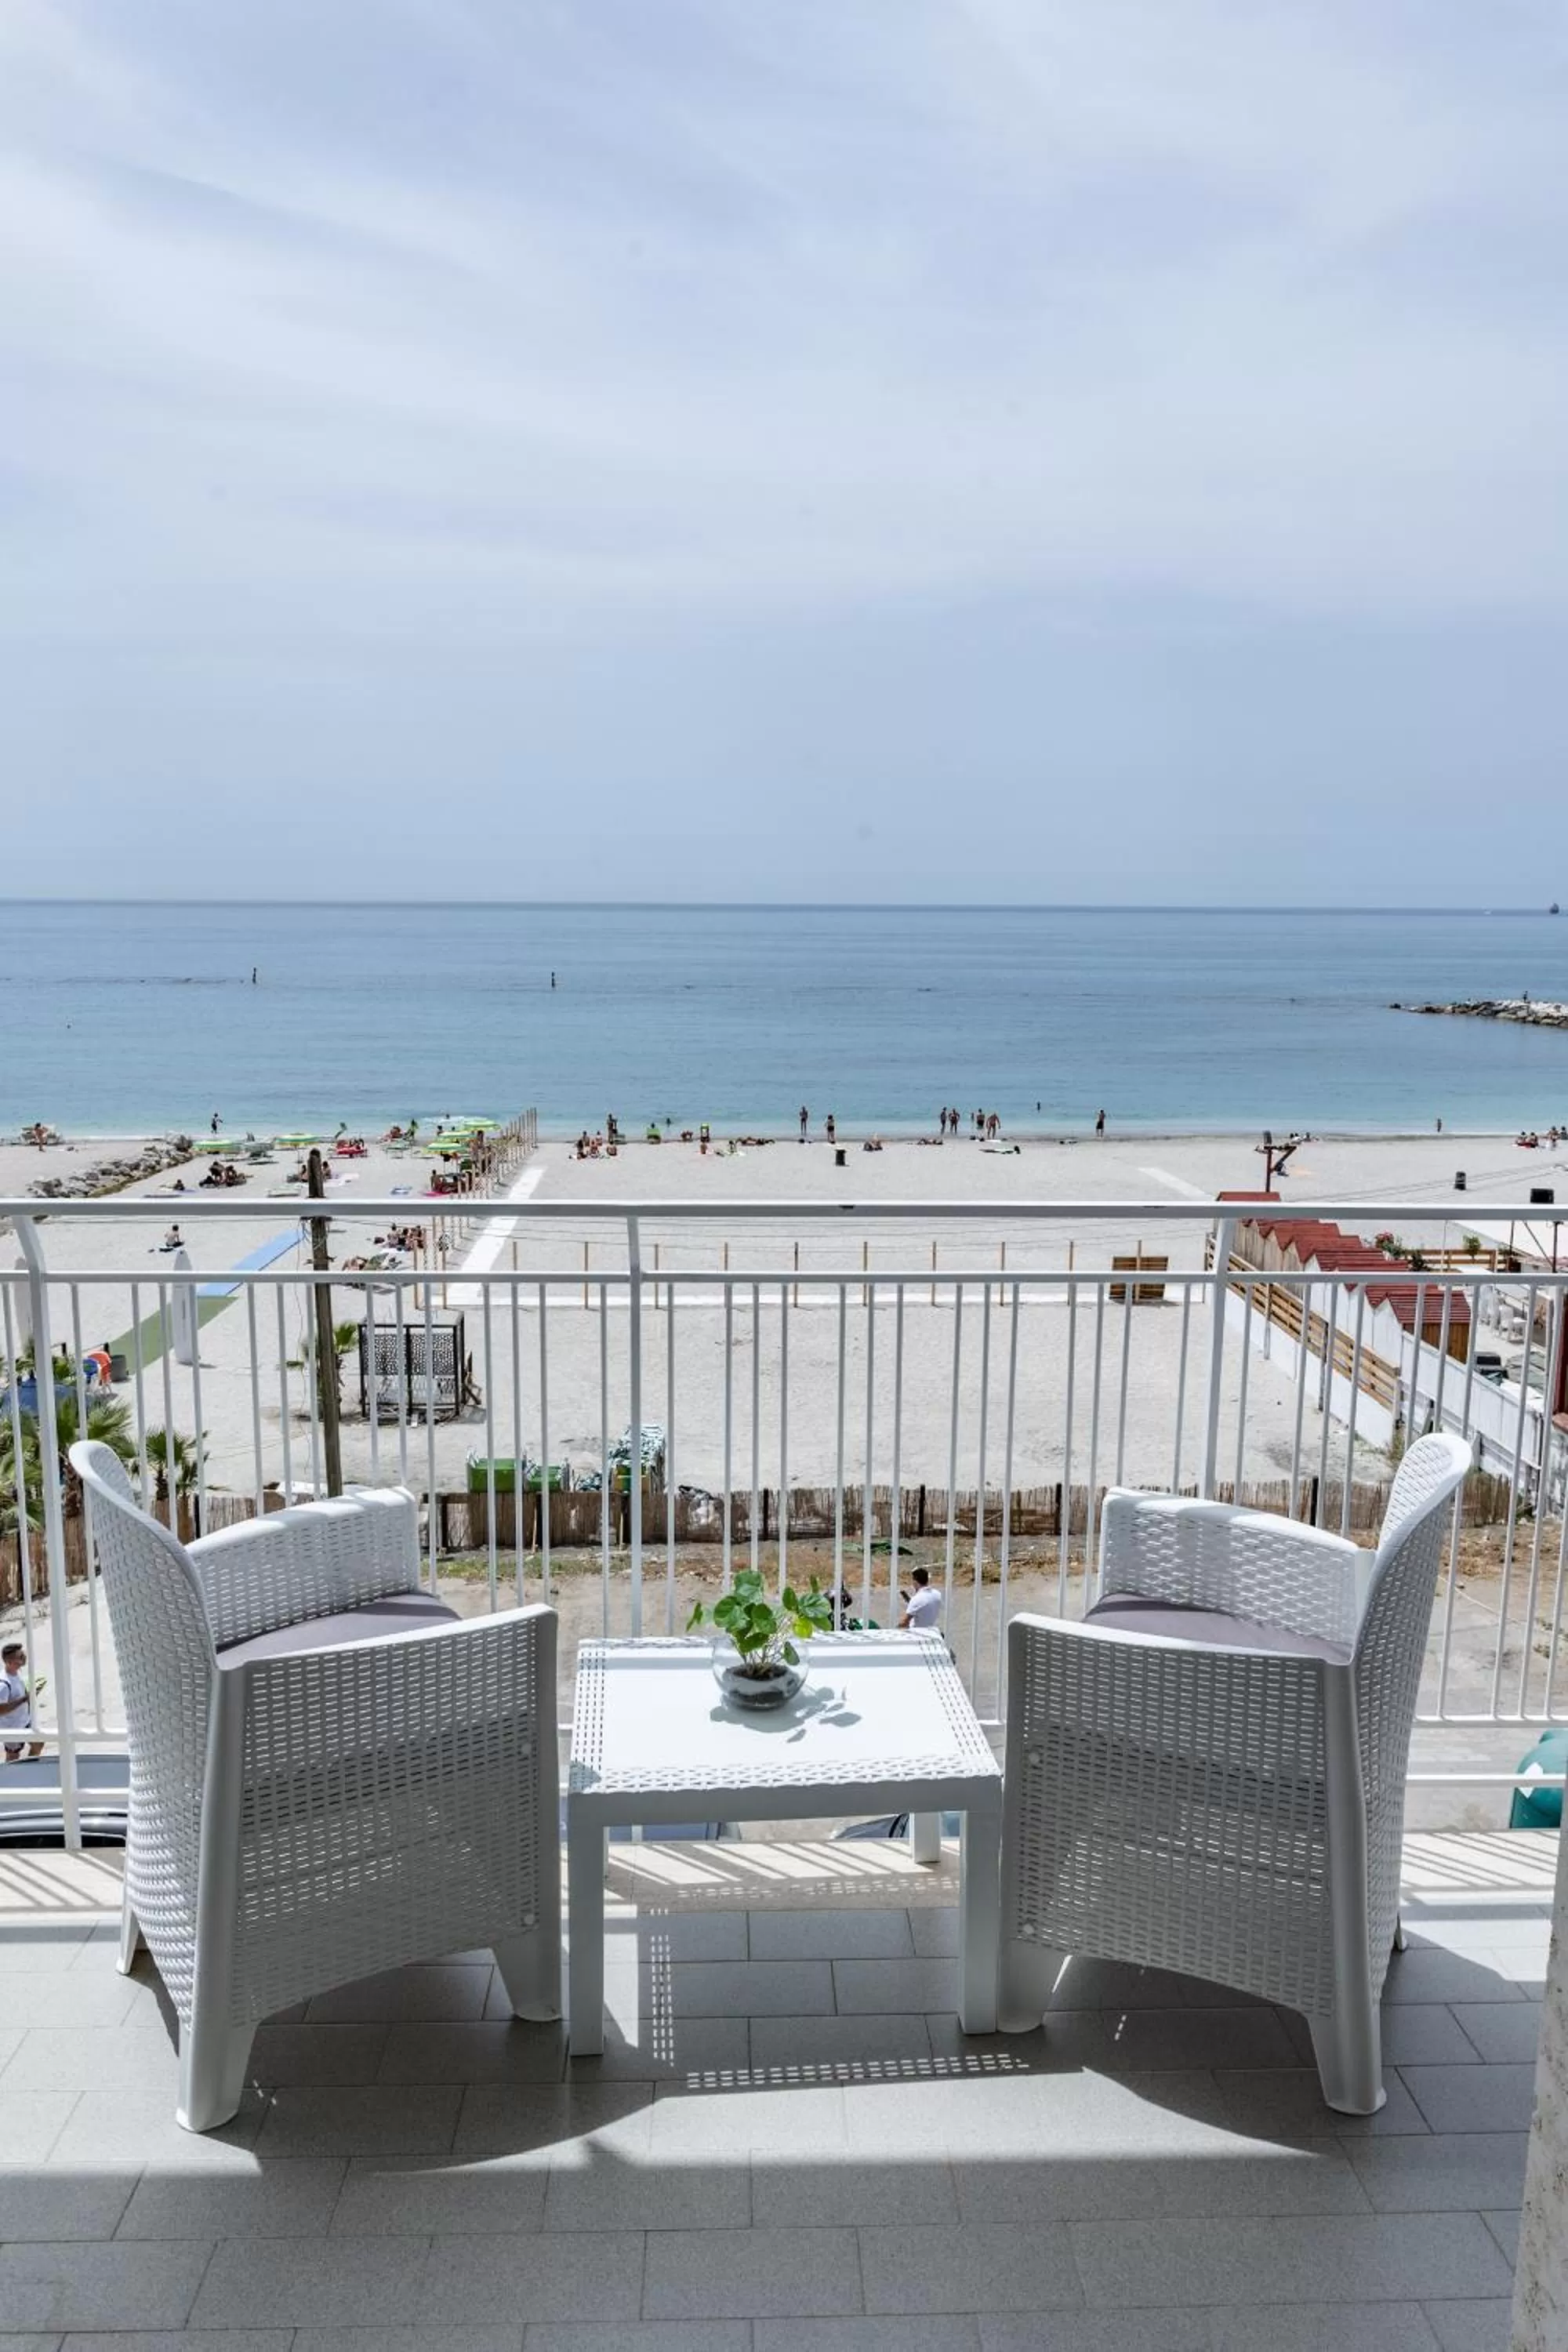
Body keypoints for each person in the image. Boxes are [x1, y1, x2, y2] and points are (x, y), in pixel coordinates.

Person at [1, 1642, 44, 1762]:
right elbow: (1, 1710)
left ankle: (29, 1768)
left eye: (23, 1655)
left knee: (39, 1744)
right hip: (12, 1727)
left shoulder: (17, 1673)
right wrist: (25, 1699)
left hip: (24, 1721)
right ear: (9, 1662)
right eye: (20, 1657)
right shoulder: (3, 1684)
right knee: (13, 1757)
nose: (24, 1658)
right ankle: (11, 1777)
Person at [899, 1566, 942, 1633]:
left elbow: (904, 1622)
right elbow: (924, 1607)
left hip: (916, 1634)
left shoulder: (916, 1599)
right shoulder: (938, 1594)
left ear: (915, 1582)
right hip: (930, 1631)